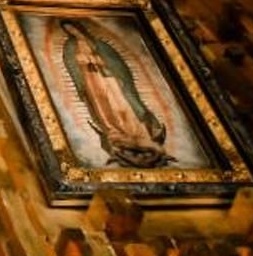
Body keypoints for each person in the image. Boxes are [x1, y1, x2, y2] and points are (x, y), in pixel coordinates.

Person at [60, 18, 174, 168]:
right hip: (90, 80)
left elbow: (115, 62)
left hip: (110, 77)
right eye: (68, 31)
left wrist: (106, 66)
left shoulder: (99, 44)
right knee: (102, 106)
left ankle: (136, 132)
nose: (72, 32)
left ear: (79, 27)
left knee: (120, 102)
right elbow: (71, 64)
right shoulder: (70, 46)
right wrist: (82, 73)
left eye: (73, 28)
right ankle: (116, 134)